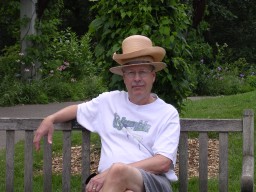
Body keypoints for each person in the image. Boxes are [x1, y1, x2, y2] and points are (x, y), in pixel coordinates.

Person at [33, 35, 180, 192]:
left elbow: (163, 163)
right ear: (124, 78)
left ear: (153, 76)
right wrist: (51, 118)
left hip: (153, 182)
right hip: (111, 185)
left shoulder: (167, 113)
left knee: (118, 170)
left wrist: (114, 172)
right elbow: (77, 109)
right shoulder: (108, 102)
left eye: (142, 72)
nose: (137, 78)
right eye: (131, 73)